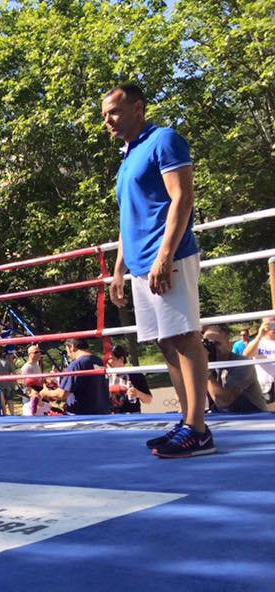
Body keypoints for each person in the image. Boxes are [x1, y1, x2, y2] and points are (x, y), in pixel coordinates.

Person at [103, 83, 212, 457]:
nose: (109, 121)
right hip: (139, 266)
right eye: (104, 116)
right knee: (165, 342)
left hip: (169, 257)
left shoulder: (164, 140)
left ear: (138, 108)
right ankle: (187, 422)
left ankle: (198, 427)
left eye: (114, 112)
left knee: (184, 336)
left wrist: (165, 254)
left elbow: (182, 197)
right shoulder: (126, 159)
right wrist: (118, 269)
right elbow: (127, 218)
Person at [202, 325, 268, 413]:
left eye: (217, 344)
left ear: (229, 344)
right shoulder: (206, 363)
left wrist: (206, 372)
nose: (212, 348)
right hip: (222, 415)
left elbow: (224, 402)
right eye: (208, 345)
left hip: (252, 415)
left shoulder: (243, 363)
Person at [38, 338, 109, 415]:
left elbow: (61, 394)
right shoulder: (98, 361)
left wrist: (46, 393)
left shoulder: (76, 365)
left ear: (72, 347)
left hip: (81, 415)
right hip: (101, 413)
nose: (68, 354)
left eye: (67, 350)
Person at [108, 345, 153, 414]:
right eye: (105, 359)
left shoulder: (135, 375)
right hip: (111, 417)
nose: (107, 362)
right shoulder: (104, 377)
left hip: (132, 416)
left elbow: (149, 400)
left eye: (111, 358)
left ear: (121, 359)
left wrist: (138, 393)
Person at [243, 317, 275, 404]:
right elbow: (246, 355)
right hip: (264, 388)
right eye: (269, 325)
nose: (272, 327)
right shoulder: (258, 342)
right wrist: (259, 335)